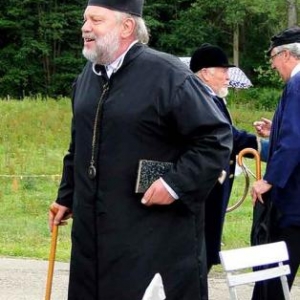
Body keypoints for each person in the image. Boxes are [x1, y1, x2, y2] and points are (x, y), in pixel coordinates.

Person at [48, 1, 233, 299]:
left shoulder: (168, 75)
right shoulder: (86, 78)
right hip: (91, 240)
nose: (85, 27)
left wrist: (175, 184)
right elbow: (79, 145)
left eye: (96, 19)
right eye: (85, 19)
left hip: (152, 238)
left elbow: (215, 138)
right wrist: (66, 195)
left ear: (126, 26)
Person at [189, 43, 267, 272]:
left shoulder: (211, 97)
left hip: (215, 186)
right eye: (222, 71)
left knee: (206, 250)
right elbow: (226, 135)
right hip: (206, 186)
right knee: (199, 253)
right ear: (205, 72)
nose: (227, 77)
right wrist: (263, 145)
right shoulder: (200, 98)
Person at [251, 26, 300, 300]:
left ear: (285, 55)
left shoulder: (297, 84)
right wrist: (276, 130)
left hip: (293, 202)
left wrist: (268, 179)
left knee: (274, 277)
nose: (272, 65)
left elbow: (294, 141)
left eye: (272, 58)